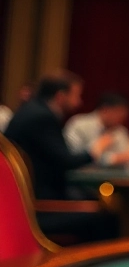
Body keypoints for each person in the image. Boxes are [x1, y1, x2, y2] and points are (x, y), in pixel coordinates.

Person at [4, 71, 117, 240]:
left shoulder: (32, 110)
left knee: (91, 199)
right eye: (76, 95)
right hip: (36, 208)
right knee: (107, 214)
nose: (79, 102)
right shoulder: (42, 118)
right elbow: (66, 161)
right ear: (60, 96)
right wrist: (95, 150)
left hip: (23, 202)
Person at [64, 92, 129, 166]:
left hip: (112, 177)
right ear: (105, 109)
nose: (122, 119)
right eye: (119, 114)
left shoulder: (120, 131)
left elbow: (126, 157)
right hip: (81, 176)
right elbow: (73, 156)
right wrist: (111, 157)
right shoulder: (78, 125)